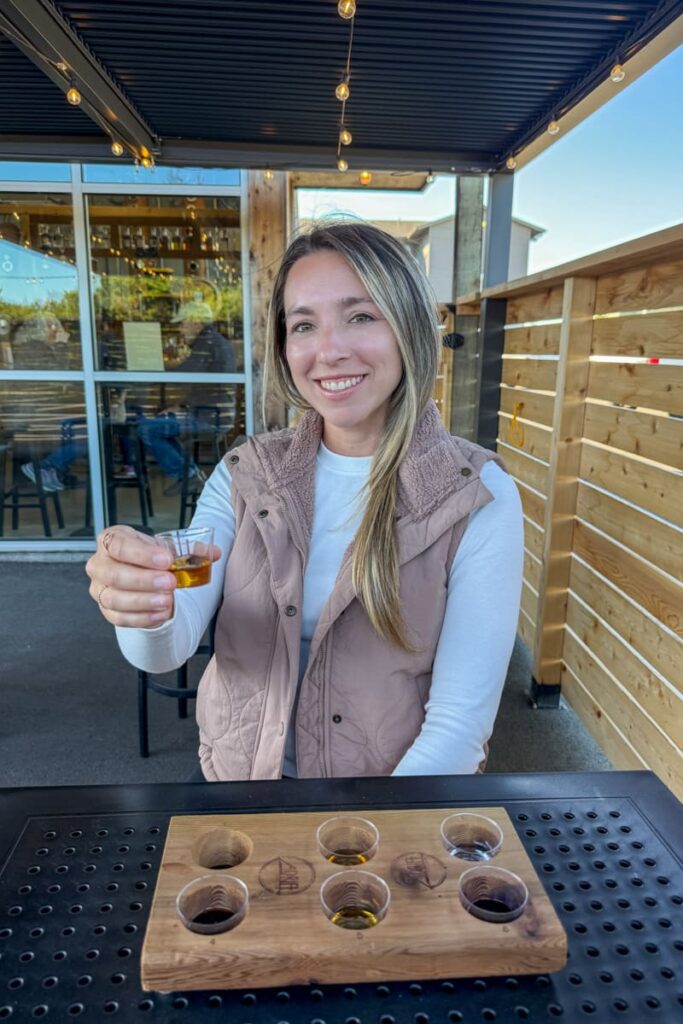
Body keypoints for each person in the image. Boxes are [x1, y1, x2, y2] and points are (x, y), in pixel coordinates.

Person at [86, 221, 524, 781]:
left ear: (409, 327)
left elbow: (457, 730)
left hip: (389, 804)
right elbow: (167, 649)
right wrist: (143, 607)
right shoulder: (246, 473)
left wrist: (362, 828)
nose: (329, 351)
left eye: (360, 316)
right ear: (284, 346)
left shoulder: (477, 494)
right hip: (238, 789)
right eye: (303, 325)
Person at [136, 299, 237, 495]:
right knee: (158, 427)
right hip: (210, 413)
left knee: (147, 429)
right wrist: (182, 406)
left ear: (196, 322)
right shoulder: (213, 341)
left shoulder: (207, 343)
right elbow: (204, 386)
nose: (180, 329)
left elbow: (185, 375)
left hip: (209, 417)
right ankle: (190, 473)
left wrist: (157, 369)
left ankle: (189, 475)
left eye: (183, 323)